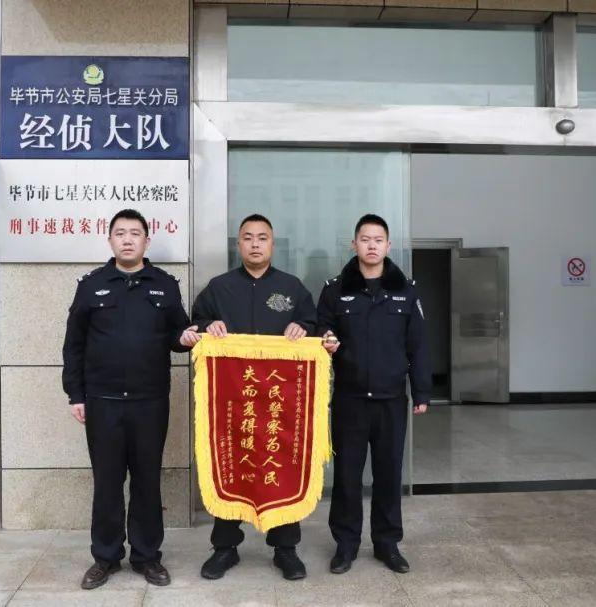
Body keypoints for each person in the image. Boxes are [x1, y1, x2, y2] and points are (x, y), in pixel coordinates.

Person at [62, 208, 202, 589]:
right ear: (110, 240)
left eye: (135, 233)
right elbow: (74, 345)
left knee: (147, 481)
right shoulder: (91, 286)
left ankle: (147, 556)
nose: (127, 239)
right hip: (103, 402)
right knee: (107, 483)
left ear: (146, 240)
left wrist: (185, 338)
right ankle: (105, 557)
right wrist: (76, 394)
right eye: (120, 233)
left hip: (149, 402)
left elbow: (177, 335)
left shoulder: (164, 286)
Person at [192, 213, 317, 581]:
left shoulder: (292, 288)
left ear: (272, 244)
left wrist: (302, 327)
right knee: (232, 463)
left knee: (282, 467)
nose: (255, 244)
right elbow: (196, 323)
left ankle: (285, 549)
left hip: (280, 402)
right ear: (239, 245)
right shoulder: (219, 288)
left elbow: (315, 326)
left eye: (262, 238)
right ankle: (225, 548)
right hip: (234, 401)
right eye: (248, 238)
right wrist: (208, 325)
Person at [317, 213, 431, 575]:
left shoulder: (405, 290)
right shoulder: (335, 289)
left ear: (388, 245)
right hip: (349, 400)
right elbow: (322, 329)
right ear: (354, 244)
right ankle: (345, 545)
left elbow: (418, 345)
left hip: (391, 400)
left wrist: (421, 391)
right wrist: (326, 340)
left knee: (388, 474)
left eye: (378, 240)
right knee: (347, 476)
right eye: (365, 239)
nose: (371, 245)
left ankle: (387, 543)